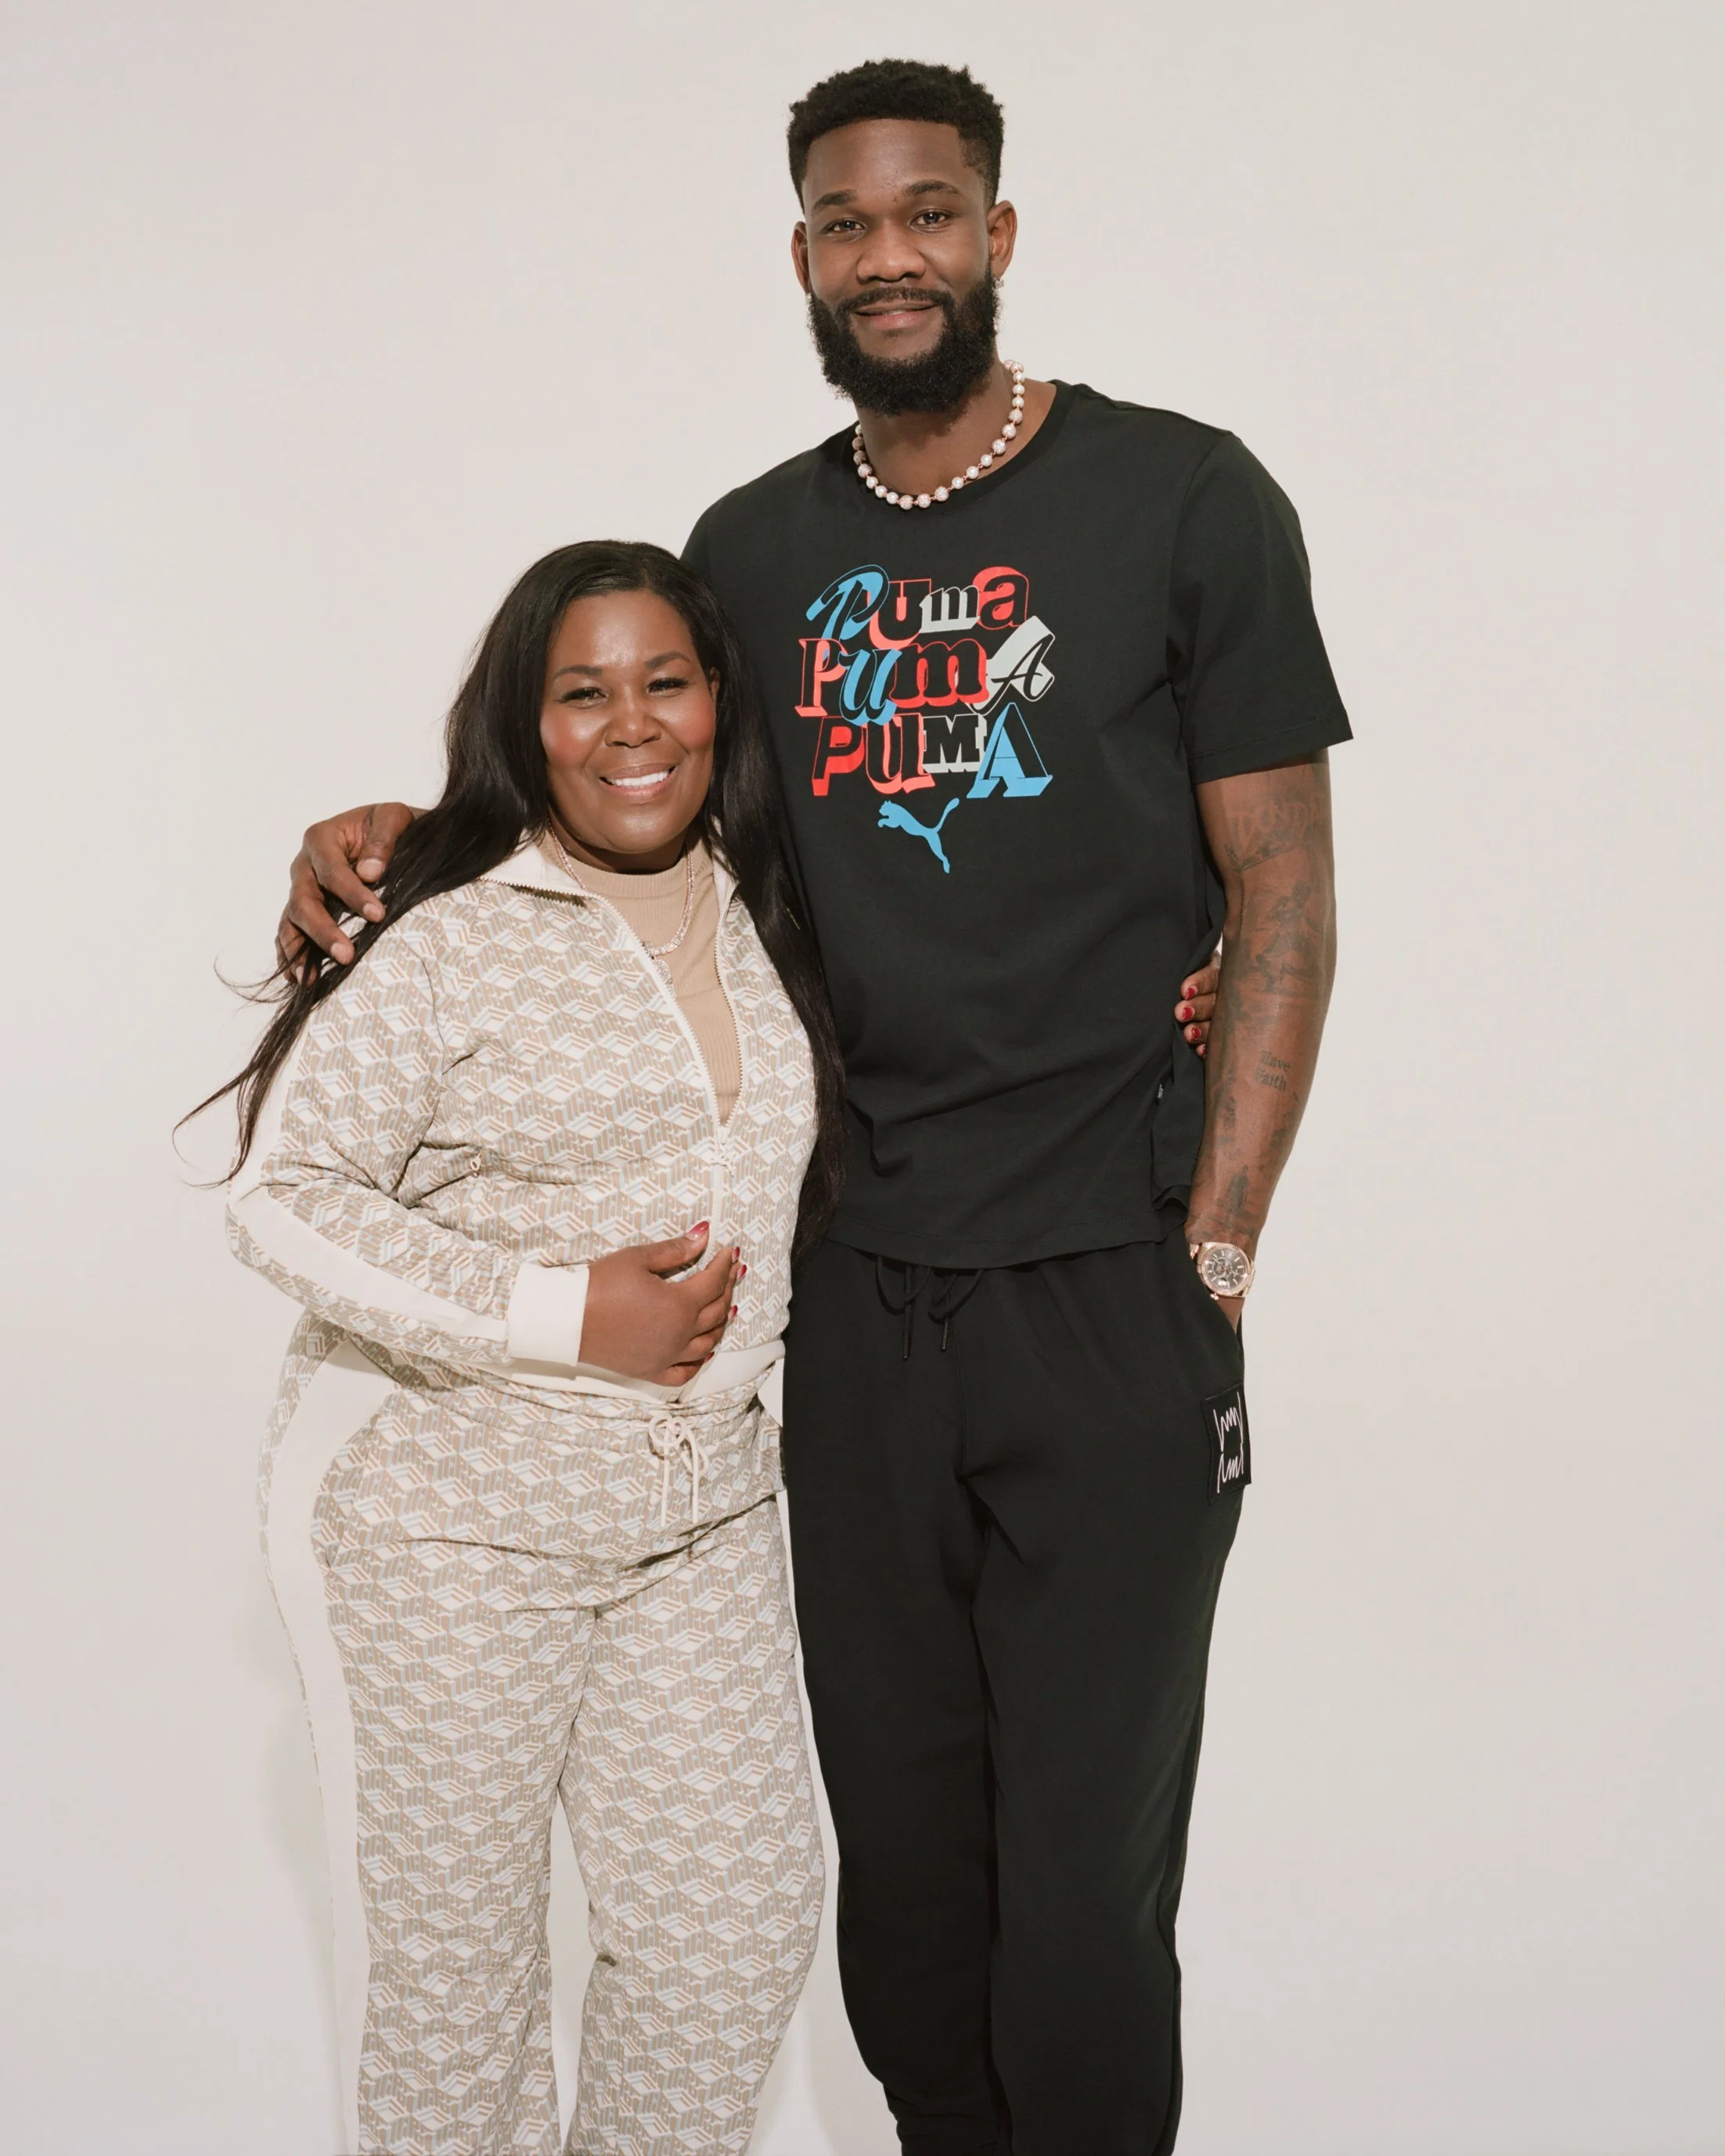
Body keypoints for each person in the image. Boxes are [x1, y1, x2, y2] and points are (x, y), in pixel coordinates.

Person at [276, 60, 1348, 2156]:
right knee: (907, 1902)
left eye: (927, 214)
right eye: (846, 226)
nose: (889, 256)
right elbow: (625, 788)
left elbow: (1284, 893)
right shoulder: (750, 552)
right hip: (848, 1302)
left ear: (996, 238)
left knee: (1083, 1908)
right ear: (800, 259)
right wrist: (410, 836)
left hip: (1107, 1285)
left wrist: (1211, 1244)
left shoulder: (1185, 500)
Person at [208, 542, 849, 2154]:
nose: (629, 724)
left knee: (731, 1940)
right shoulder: (450, 925)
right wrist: (570, 1312)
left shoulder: (782, 896)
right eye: (582, 692)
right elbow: (283, 1199)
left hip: (696, 1525)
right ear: (528, 720)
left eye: (665, 680)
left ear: (719, 702)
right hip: (440, 1524)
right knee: (456, 2002)